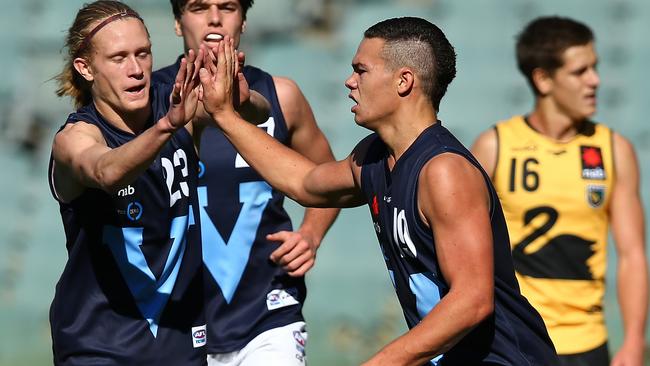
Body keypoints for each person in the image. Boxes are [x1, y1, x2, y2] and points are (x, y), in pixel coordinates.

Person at [198, 16, 559, 365]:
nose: (349, 82)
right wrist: (226, 114)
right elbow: (304, 183)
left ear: (403, 81)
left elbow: (472, 301)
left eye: (361, 70)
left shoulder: (444, 171)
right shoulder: (373, 157)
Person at [49, 1, 265, 364]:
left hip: (181, 341)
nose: (136, 70)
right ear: (85, 68)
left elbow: (261, 111)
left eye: (143, 54)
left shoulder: (175, 103)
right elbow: (105, 172)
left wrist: (238, 99)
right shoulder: (75, 137)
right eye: (118, 58)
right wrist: (167, 127)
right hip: (97, 345)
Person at [153, 1, 340, 364]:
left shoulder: (282, 96)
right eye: (197, 7)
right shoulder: (149, 101)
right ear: (177, 23)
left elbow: (328, 179)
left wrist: (311, 234)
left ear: (244, 20)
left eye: (228, 6)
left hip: (269, 317)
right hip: (174, 323)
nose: (214, 17)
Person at [471, 16, 648, 366]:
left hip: (588, 344)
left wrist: (632, 343)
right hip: (514, 339)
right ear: (543, 79)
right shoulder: (495, 146)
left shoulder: (614, 150)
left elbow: (632, 255)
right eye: (580, 72)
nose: (594, 81)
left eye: (595, 68)